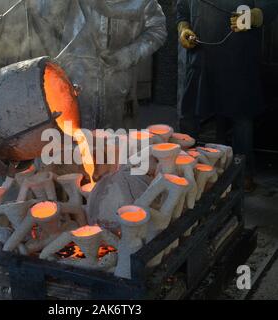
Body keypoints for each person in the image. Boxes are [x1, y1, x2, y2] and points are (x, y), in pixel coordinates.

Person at [177, 0, 278, 192]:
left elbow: (272, 5)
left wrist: (254, 16)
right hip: (202, 58)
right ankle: (186, 173)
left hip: (239, 57)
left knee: (241, 118)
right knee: (189, 116)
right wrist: (183, 28)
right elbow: (182, 10)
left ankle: (243, 174)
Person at [56, 0, 167, 130]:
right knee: (75, 139)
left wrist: (128, 55)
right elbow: (46, 17)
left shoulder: (144, 3)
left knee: (117, 141)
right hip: (78, 80)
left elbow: (157, 29)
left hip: (119, 83)